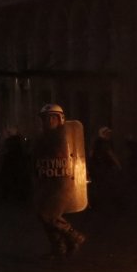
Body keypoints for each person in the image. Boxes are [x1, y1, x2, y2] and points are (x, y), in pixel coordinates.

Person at [31, 103, 87, 259]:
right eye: (46, 119)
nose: (49, 122)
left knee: (48, 214)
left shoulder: (63, 136)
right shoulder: (42, 138)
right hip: (46, 180)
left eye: (53, 118)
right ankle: (59, 247)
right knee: (43, 216)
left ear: (60, 119)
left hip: (62, 181)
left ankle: (74, 236)